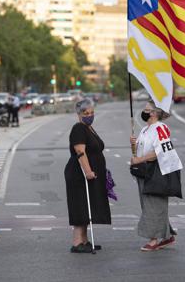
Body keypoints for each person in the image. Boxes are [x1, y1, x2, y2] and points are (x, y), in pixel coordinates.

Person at [130, 100, 177, 252]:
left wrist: (139, 159)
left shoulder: (160, 128)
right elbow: (142, 149)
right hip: (144, 171)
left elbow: (161, 151)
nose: (144, 111)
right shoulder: (145, 129)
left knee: (153, 205)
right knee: (150, 204)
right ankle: (167, 236)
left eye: (147, 109)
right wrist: (134, 145)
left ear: (154, 113)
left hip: (156, 172)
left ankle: (153, 240)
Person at [65, 98, 111, 253]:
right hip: (79, 174)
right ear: (79, 114)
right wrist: (88, 171)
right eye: (86, 113)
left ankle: (84, 241)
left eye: (92, 112)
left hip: (89, 173)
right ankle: (77, 242)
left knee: (88, 205)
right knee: (81, 205)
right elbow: (80, 151)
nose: (90, 115)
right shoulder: (79, 128)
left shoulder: (89, 128)